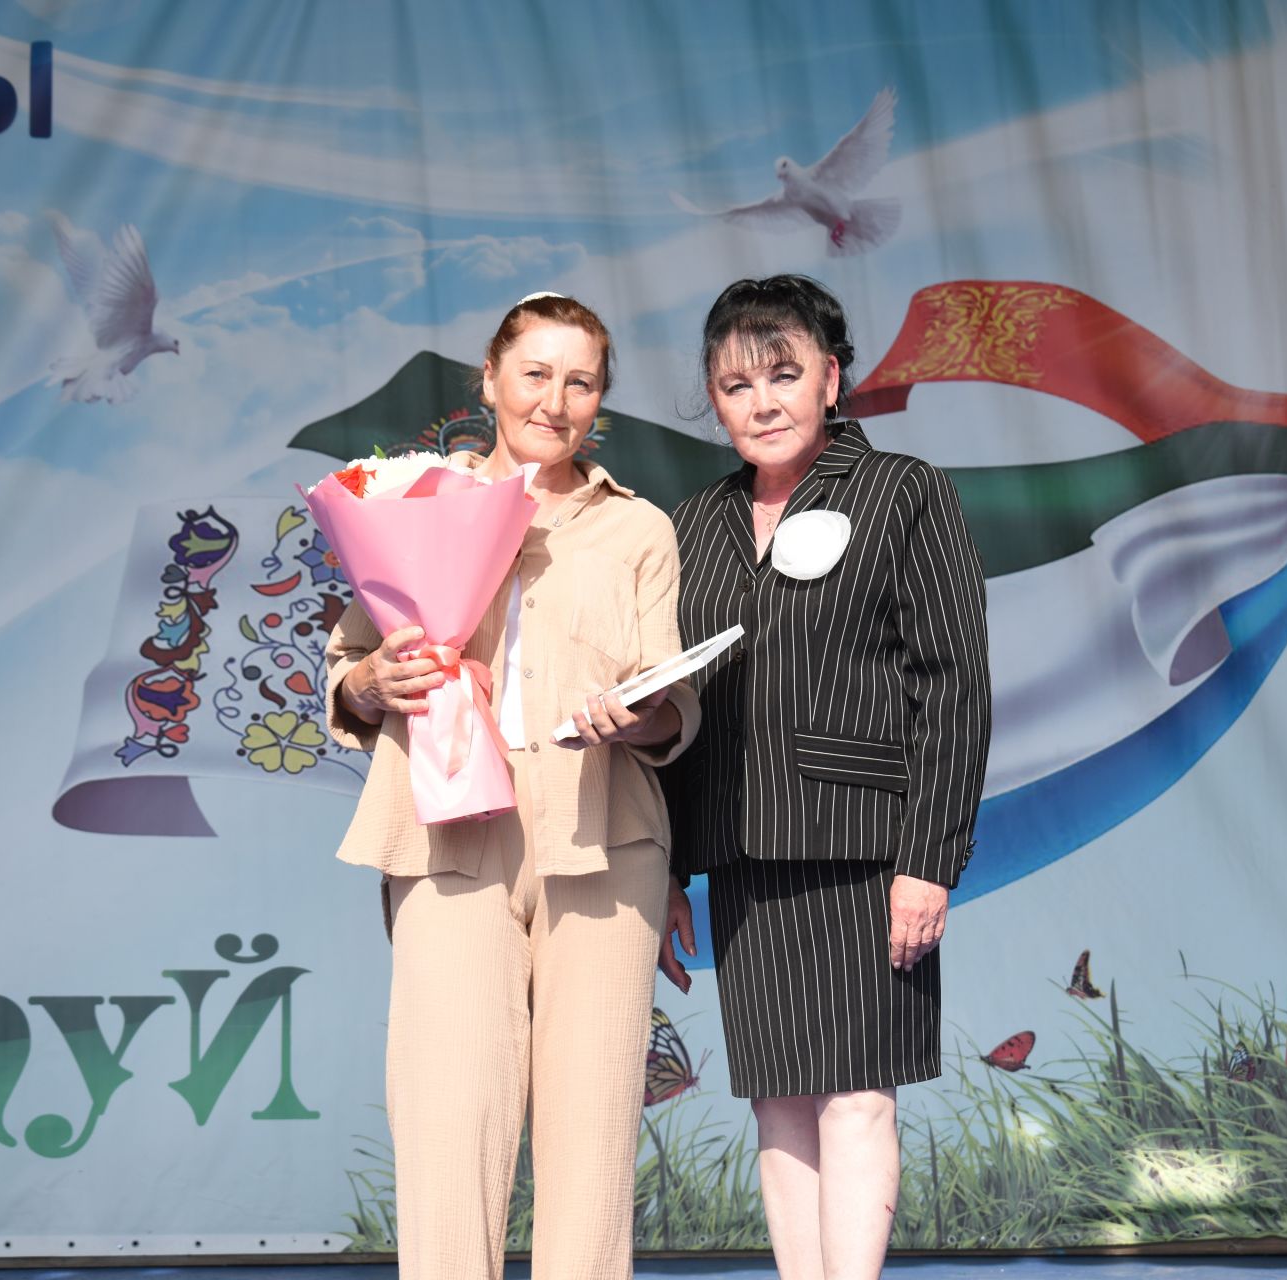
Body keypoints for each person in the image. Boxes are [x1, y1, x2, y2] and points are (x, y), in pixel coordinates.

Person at [323, 292, 700, 1279]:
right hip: (451, 830)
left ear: (601, 400)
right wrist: (372, 683)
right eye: (535, 373)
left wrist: (645, 713)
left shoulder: (639, 529)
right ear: (488, 380)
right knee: (450, 1120)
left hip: (604, 833)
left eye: (581, 382)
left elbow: (673, 697)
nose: (554, 400)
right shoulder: (414, 503)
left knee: (592, 1136)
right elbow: (350, 668)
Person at [657, 275, 992, 1279]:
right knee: (779, 1102)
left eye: (784, 375)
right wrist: (670, 867)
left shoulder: (904, 491)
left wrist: (929, 860)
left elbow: (953, 687)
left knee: (856, 1096)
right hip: (738, 852)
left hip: (866, 850)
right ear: (713, 400)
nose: (761, 403)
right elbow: (674, 707)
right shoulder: (692, 523)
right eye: (736, 385)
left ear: (832, 379)